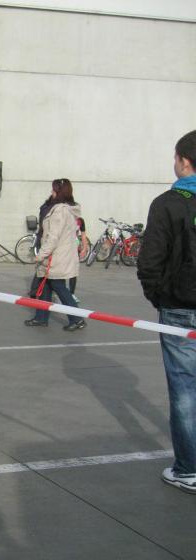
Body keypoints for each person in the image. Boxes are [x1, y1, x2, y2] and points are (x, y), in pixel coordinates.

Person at [137, 129, 196, 494]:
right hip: (178, 304)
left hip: (180, 308)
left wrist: (159, 295)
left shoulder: (168, 203)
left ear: (184, 161)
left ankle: (189, 469)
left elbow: (150, 260)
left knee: (185, 390)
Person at [24, 178, 86, 331]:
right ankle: (41, 317)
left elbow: (53, 237)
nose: (51, 192)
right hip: (58, 256)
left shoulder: (59, 210)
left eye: (53, 189)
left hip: (56, 257)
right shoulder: (66, 209)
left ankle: (77, 318)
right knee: (45, 285)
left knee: (59, 287)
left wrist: (40, 255)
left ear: (59, 192)